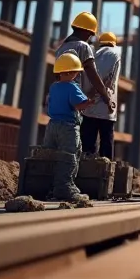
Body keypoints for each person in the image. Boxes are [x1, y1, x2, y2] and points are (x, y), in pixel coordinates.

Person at [44, 53, 96, 202]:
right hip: (68, 127)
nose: (77, 74)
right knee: (69, 157)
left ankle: (47, 188)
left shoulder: (54, 87)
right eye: (76, 72)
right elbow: (79, 105)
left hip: (52, 126)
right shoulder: (72, 87)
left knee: (49, 156)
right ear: (68, 72)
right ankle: (65, 189)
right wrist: (90, 101)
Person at [54, 11, 117, 116]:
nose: (89, 38)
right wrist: (106, 98)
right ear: (86, 32)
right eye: (90, 35)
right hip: (74, 101)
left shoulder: (61, 48)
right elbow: (93, 75)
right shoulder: (83, 46)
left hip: (59, 100)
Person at [80, 30, 121, 159]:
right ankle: (105, 173)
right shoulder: (115, 54)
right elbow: (109, 81)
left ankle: (84, 170)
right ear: (113, 44)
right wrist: (107, 101)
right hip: (105, 106)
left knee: (87, 145)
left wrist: (89, 97)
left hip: (89, 106)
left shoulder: (93, 53)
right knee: (106, 144)